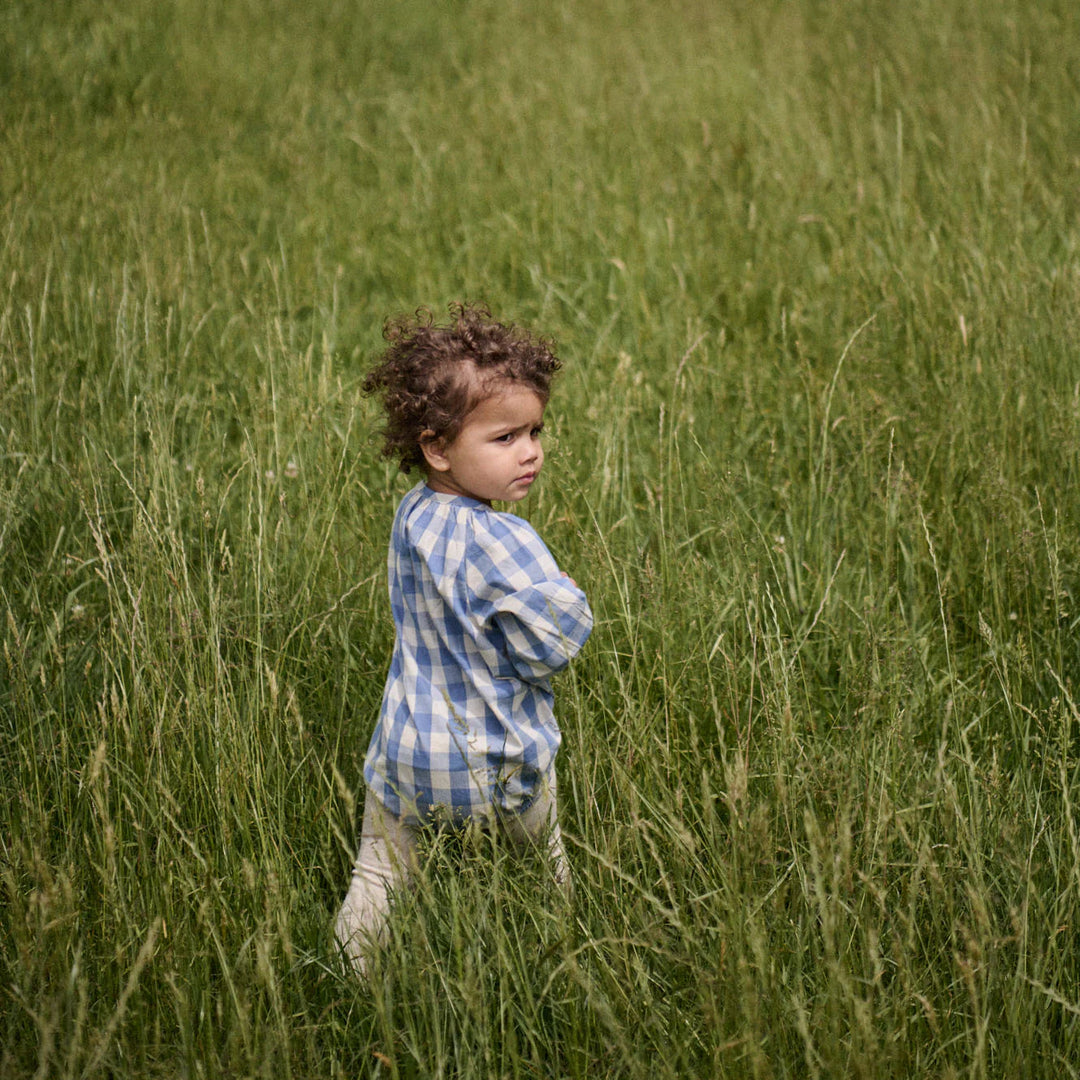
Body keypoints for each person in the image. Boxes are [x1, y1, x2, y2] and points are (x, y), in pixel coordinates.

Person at [335, 302, 593, 976]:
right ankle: (562, 941)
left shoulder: (414, 516)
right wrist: (562, 593)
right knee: (544, 852)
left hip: (411, 752)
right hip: (499, 761)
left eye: (536, 430)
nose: (531, 451)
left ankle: (350, 972)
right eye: (505, 438)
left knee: (380, 871)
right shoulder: (507, 540)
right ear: (438, 446)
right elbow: (551, 649)